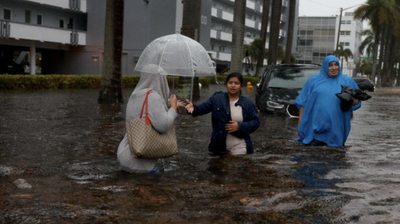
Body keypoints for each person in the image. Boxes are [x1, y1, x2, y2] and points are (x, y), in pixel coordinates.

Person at [117, 64, 183, 173]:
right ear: (160, 79)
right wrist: (173, 108)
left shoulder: (136, 95)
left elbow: (148, 111)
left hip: (125, 153)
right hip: (140, 162)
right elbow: (163, 125)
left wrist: (170, 104)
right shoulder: (153, 97)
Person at [185, 72, 260, 155]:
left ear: (241, 86)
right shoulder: (217, 98)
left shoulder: (247, 103)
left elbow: (256, 122)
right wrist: (193, 108)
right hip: (218, 146)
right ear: (226, 84)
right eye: (230, 82)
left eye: (236, 83)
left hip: (240, 146)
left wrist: (240, 126)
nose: (233, 85)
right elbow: (202, 108)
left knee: (235, 166)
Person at [294, 55, 361, 147]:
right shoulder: (314, 80)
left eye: (336, 65)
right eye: (330, 65)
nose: (333, 68)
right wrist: (300, 125)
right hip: (315, 131)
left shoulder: (347, 81)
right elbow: (303, 103)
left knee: (335, 157)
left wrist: (351, 100)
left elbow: (357, 102)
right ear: (325, 66)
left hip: (336, 130)